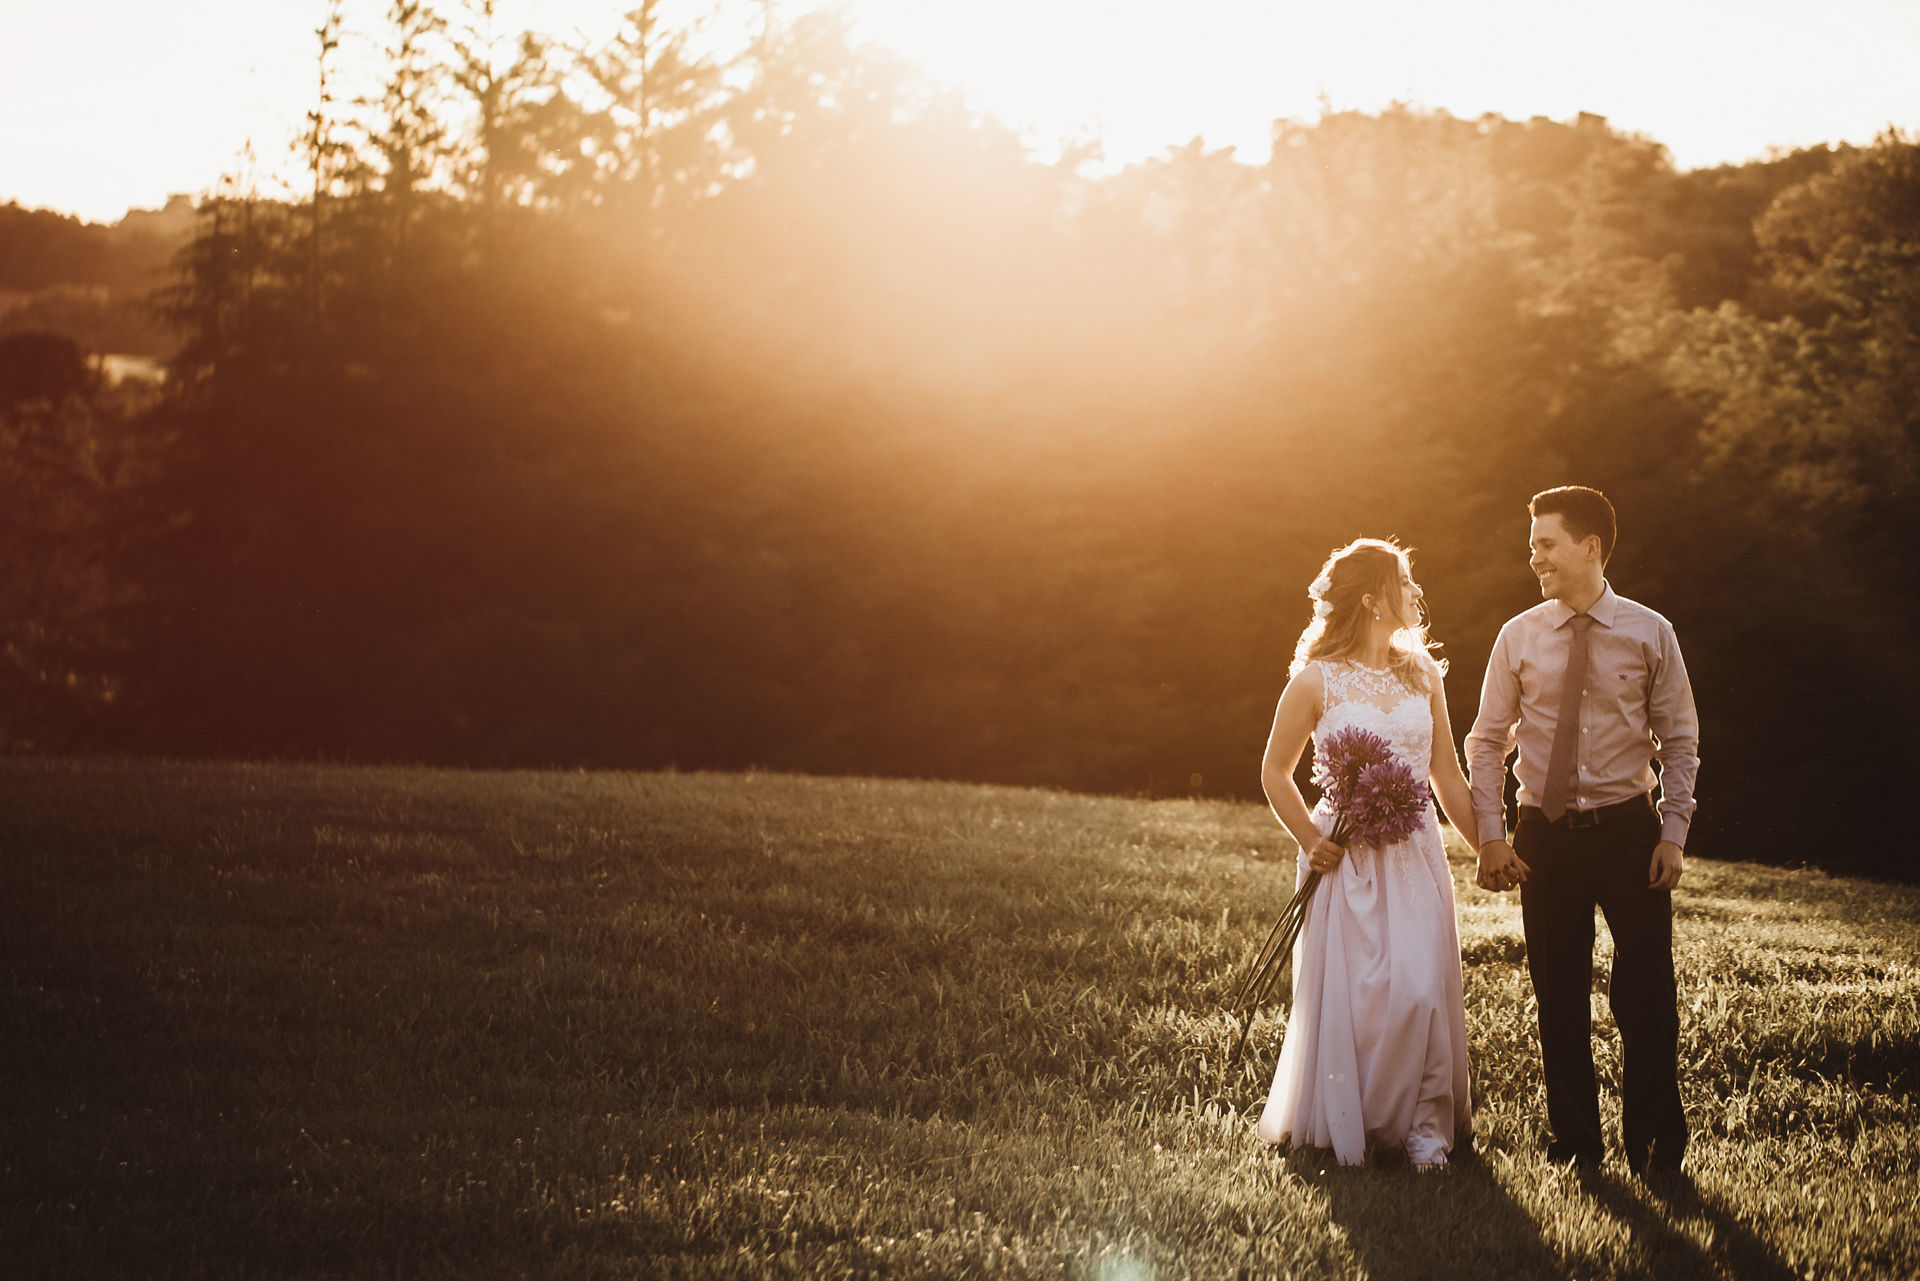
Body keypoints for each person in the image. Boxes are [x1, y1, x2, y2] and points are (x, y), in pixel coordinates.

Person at [1465, 486, 1699, 1175]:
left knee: (1647, 991)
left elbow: (1679, 739)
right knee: (1558, 992)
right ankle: (1574, 1146)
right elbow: (1486, 742)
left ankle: (1656, 1146)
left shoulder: (1651, 632)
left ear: (1590, 547)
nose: (1533, 556)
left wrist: (1674, 833)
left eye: (1546, 544)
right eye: (1533, 544)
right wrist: (1491, 833)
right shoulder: (1519, 635)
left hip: (1630, 831)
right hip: (1542, 836)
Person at [1255, 538, 1477, 1168]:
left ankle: (1423, 1129)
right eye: (1405, 582)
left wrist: (1488, 846)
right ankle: (1354, 1123)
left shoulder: (1423, 674)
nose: (1415, 593)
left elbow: (1447, 777)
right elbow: (1275, 771)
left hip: (1415, 854)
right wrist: (1313, 841)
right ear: (1376, 598)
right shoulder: (1316, 681)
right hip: (1345, 855)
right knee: (1362, 996)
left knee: (1418, 990)